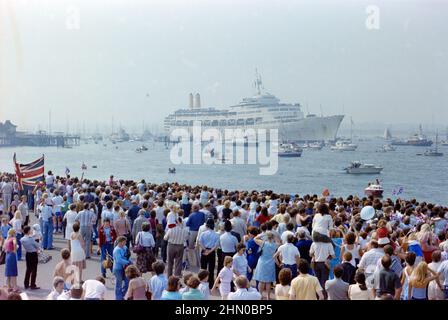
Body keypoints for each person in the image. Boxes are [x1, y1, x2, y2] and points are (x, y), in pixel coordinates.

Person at [253, 231, 278, 300]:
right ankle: (268, 296)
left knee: (261, 281)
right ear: (272, 237)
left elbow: (255, 239)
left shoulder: (263, 243)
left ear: (266, 237)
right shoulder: (275, 245)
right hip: (270, 263)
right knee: (268, 281)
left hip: (262, 262)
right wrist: (274, 237)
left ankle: (260, 295)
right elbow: (279, 241)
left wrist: (262, 234)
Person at [198, 218, 220, 289]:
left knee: (203, 268)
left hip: (204, 250)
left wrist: (205, 250)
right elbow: (216, 245)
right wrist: (210, 251)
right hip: (212, 252)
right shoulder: (216, 234)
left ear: (207, 225)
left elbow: (199, 242)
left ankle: (201, 283)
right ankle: (210, 284)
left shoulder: (203, 233)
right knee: (211, 269)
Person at [20, 225, 40, 290]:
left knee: (28, 269)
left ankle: (26, 284)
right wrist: (37, 240)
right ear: (28, 231)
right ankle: (32, 285)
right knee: (34, 270)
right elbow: (37, 245)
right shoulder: (30, 239)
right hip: (33, 254)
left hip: (28, 254)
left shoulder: (22, 239)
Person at [113, 236, 131, 300]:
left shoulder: (125, 247)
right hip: (118, 269)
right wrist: (128, 262)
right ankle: (118, 298)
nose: (125, 243)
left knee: (127, 282)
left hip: (125, 268)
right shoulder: (116, 250)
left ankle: (121, 295)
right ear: (120, 242)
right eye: (124, 241)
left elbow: (128, 255)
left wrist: (130, 261)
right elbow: (118, 260)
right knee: (119, 284)